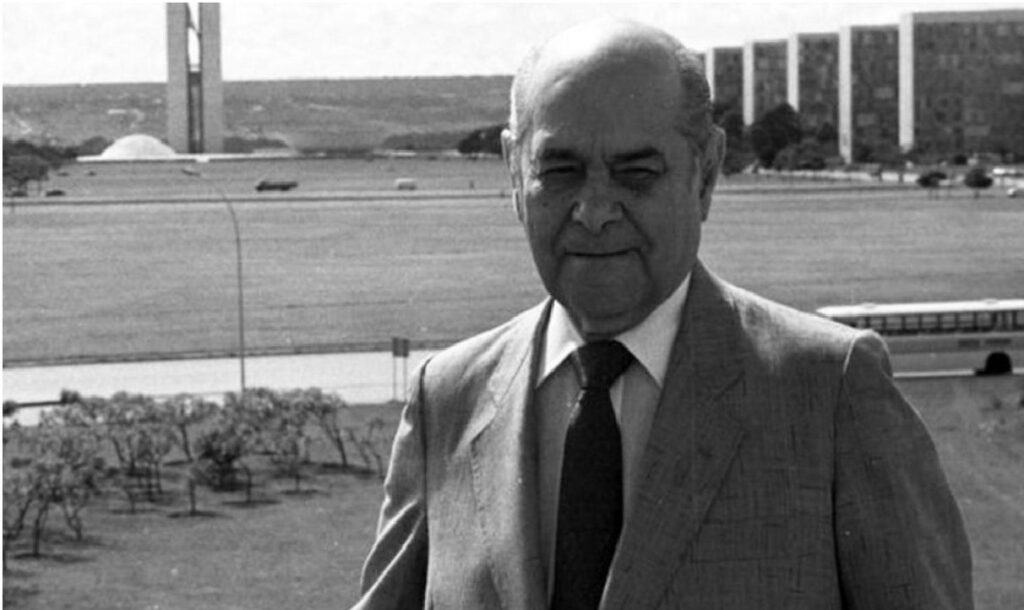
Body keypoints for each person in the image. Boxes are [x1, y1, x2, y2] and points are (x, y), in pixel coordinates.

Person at [354, 19, 972, 609]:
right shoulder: (447, 399)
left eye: (637, 173)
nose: (595, 210)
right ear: (515, 174)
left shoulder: (830, 393)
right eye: (561, 171)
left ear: (706, 174)